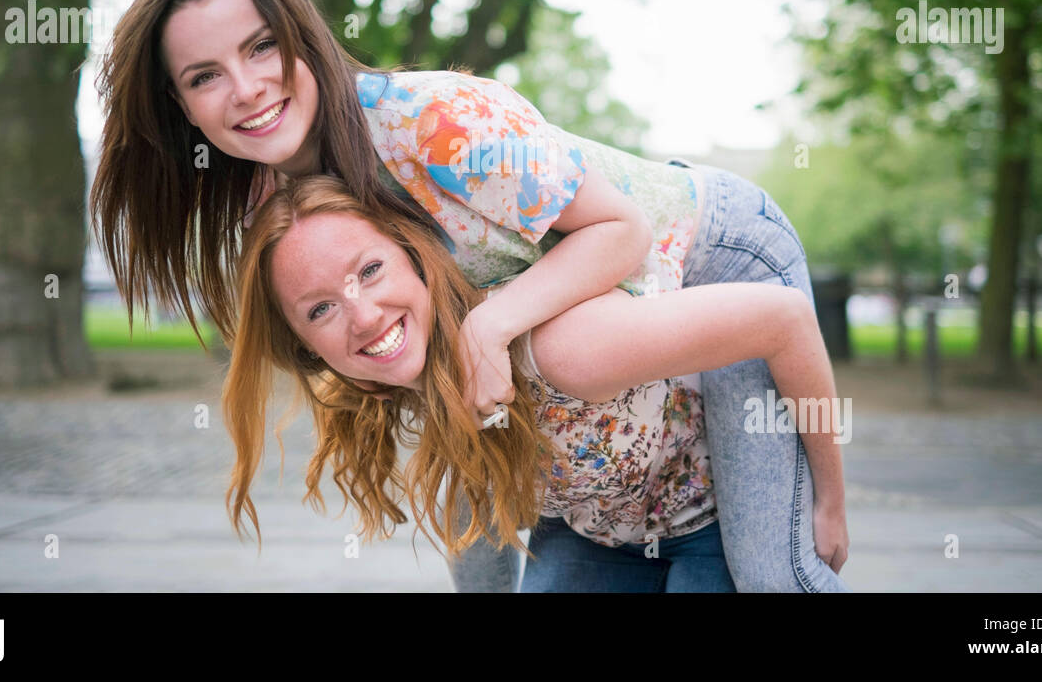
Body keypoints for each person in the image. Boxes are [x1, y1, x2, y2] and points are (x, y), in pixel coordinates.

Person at [89, 0, 848, 591]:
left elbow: (623, 231)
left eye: (261, 47)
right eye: (204, 76)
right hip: (609, 380)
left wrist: (491, 330)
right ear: (181, 106)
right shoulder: (286, 213)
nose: (247, 88)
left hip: (713, 251)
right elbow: (450, 422)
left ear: (302, 36)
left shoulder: (432, 124)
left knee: (770, 571)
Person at [224, 174, 846, 592]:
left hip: (708, 518)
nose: (362, 316)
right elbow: (476, 527)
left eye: (370, 269)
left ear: (414, 258)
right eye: (320, 310)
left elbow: (783, 319)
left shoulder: (560, 349)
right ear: (308, 350)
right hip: (598, 536)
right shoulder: (409, 384)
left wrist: (829, 499)